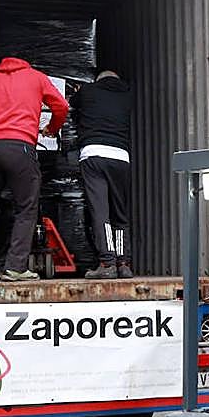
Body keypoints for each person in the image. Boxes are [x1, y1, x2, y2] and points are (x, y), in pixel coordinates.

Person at [0, 56, 69, 282]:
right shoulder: (36, 78)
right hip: (20, 147)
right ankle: (15, 268)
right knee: (26, 207)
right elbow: (61, 106)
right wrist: (51, 127)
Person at [71, 70, 134, 279]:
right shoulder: (127, 95)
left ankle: (107, 262)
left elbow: (73, 104)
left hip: (94, 155)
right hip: (120, 157)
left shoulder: (88, 91)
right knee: (120, 213)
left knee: (100, 211)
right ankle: (123, 262)